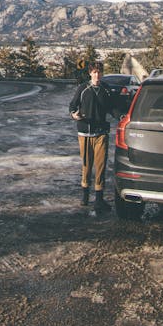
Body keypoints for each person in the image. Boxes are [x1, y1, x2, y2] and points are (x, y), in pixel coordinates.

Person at [69, 60, 114, 213]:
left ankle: (99, 199)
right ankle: (85, 196)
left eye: (100, 72)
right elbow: (72, 106)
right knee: (87, 165)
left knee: (100, 166)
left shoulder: (106, 89)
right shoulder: (83, 88)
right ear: (90, 73)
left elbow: (112, 108)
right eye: (95, 72)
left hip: (101, 133)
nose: (97, 75)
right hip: (85, 132)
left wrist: (122, 116)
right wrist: (75, 116)